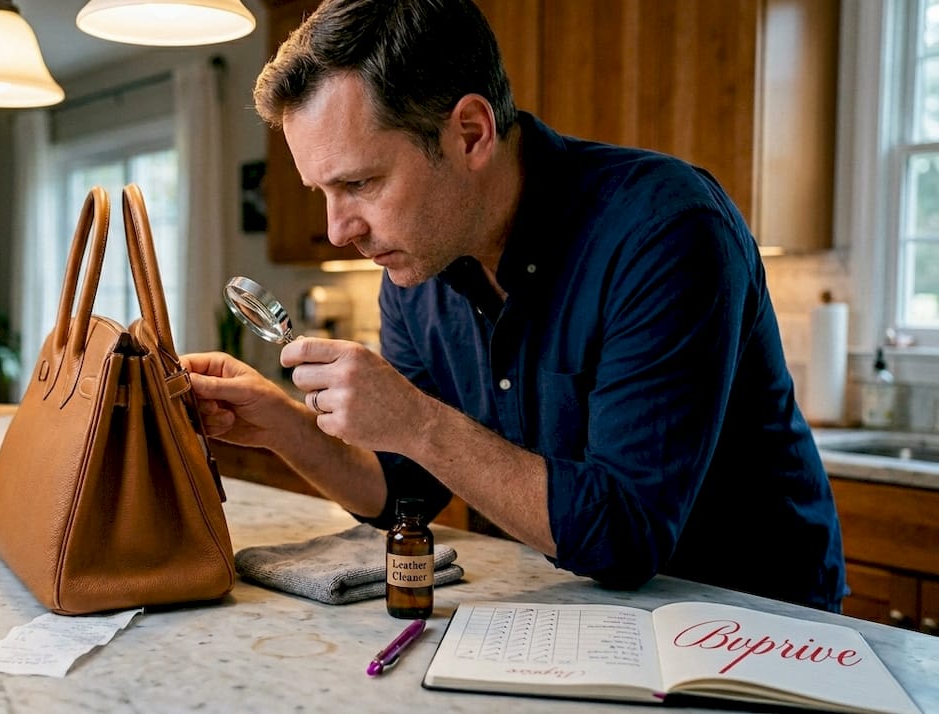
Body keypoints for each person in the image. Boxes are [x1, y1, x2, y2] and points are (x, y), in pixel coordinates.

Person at [183, 0, 845, 612]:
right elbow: (404, 490)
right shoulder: (419, 271)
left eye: (360, 182)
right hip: (589, 612)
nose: (337, 229)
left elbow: (626, 536)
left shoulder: (665, 230)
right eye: (322, 191)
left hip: (762, 623)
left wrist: (418, 421)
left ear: (470, 134)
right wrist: (280, 425)